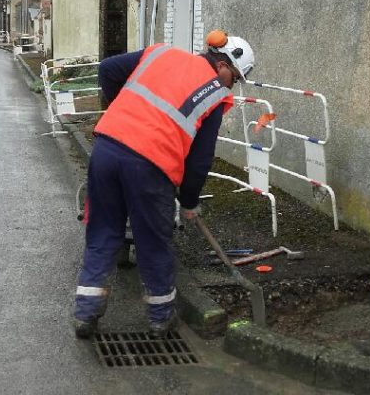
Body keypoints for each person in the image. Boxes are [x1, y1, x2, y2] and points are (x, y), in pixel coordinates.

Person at [73, 31, 256, 339]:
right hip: (151, 164)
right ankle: (160, 319)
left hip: (106, 148)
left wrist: (122, 111)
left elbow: (107, 69)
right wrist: (188, 202)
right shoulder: (214, 93)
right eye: (235, 79)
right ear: (224, 66)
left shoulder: (161, 53)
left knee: (103, 231)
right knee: (153, 241)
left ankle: (85, 314)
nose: (232, 86)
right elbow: (199, 161)